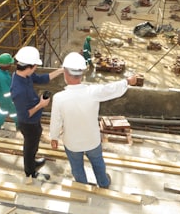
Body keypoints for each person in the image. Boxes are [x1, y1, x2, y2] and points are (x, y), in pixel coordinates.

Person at [49, 52, 139, 188]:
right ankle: (103, 183)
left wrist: (54, 137)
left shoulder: (59, 98)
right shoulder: (93, 92)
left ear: (65, 74)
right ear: (82, 74)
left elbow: (56, 121)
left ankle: (82, 186)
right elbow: (111, 89)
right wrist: (127, 81)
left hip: (72, 143)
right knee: (98, 163)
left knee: (77, 167)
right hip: (92, 140)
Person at [10, 46, 63, 179]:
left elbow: (41, 79)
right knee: (30, 146)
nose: (36, 69)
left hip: (34, 120)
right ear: (29, 66)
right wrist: (41, 105)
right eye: (35, 66)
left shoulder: (24, 75)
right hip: (28, 123)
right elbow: (25, 114)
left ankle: (33, 162)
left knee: (34, 142)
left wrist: (61, 70)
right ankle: (30, 171)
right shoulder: (18, 90)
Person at [0, 53, 18, 130]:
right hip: (6, 99)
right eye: (10, 63)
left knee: (3, 110)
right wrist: (12, 101)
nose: (11, 65)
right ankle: (20, 127)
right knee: (15, 113)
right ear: (6, 65)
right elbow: (6, 92)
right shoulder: (3, 78)